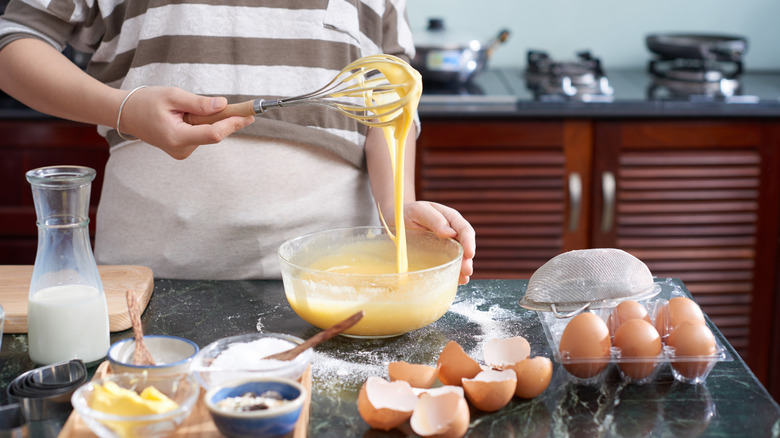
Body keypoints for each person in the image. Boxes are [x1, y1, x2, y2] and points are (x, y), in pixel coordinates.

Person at [0, 0, 475, 284]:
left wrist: (398, 210)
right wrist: (122, 108)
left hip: (335, 278)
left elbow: (389, 94)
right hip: (149, 268)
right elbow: (14, 41)